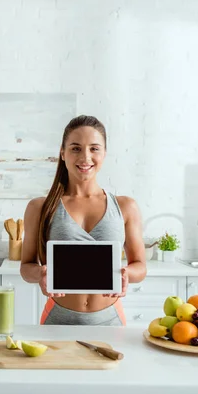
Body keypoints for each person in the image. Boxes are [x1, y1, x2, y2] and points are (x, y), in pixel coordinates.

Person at [20, 115, 147, 326]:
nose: (85, 157)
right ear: (63, 153)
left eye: (94, 148)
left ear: (104, 153)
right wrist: (40, 273)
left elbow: (140, 266)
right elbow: (26, 267)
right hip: (57, 318)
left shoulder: (126, 207)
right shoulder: (40, 207)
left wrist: (126, 274)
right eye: (76, 148)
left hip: (110, 319)